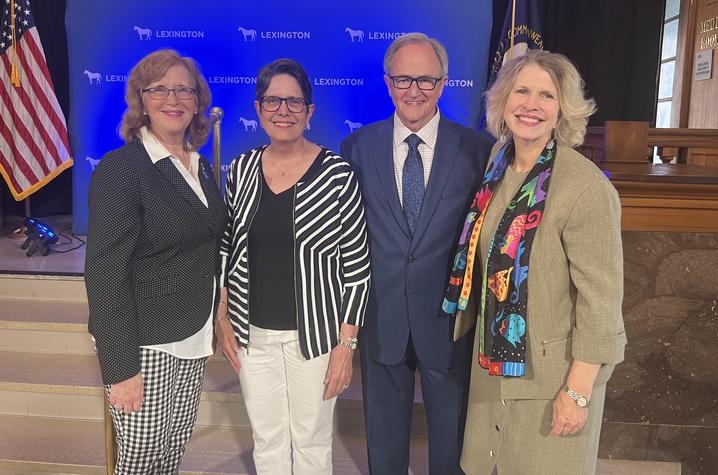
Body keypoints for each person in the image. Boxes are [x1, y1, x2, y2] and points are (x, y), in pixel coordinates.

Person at [441, 49, 627, 475]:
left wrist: (577, 394)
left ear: (563, 108)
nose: (531, 105)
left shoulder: (585, 189)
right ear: (503, 100)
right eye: (521, 91)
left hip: (551, 380)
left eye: (546, 95)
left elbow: (601, 306)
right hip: (493, 365)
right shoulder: (498, 164)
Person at [340, 33, 492, 474]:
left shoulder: (477, 150)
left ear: (444, 84)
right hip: (381, 314)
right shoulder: (356, 148)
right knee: (383, 437)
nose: (414, 90)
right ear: (388, 83)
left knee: (453, 438)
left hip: (449, 319)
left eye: (425, 80)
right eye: (404, 79)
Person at [214, 58, 371, 475]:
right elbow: (227, 246)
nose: (283, 110)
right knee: (266, 441)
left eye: (294, 102)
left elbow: (357, 268)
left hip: (317, 339)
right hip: (253, 336)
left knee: (312, 443)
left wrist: (346, 346)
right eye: (272, 101)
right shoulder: (243, 169)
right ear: (258, 108)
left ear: (310, 111)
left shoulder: (338, 175)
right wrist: (222, 313)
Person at [85, 49, 227, 472]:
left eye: (184, 89)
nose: (174, 98)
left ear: (197, 99)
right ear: (141, 100)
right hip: (145, 343)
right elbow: (104, 275)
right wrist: (120, 368)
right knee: (142, 460)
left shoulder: (198, 168)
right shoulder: (122, 169)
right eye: (160, 89)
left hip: (191, 335)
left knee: (170, 455)